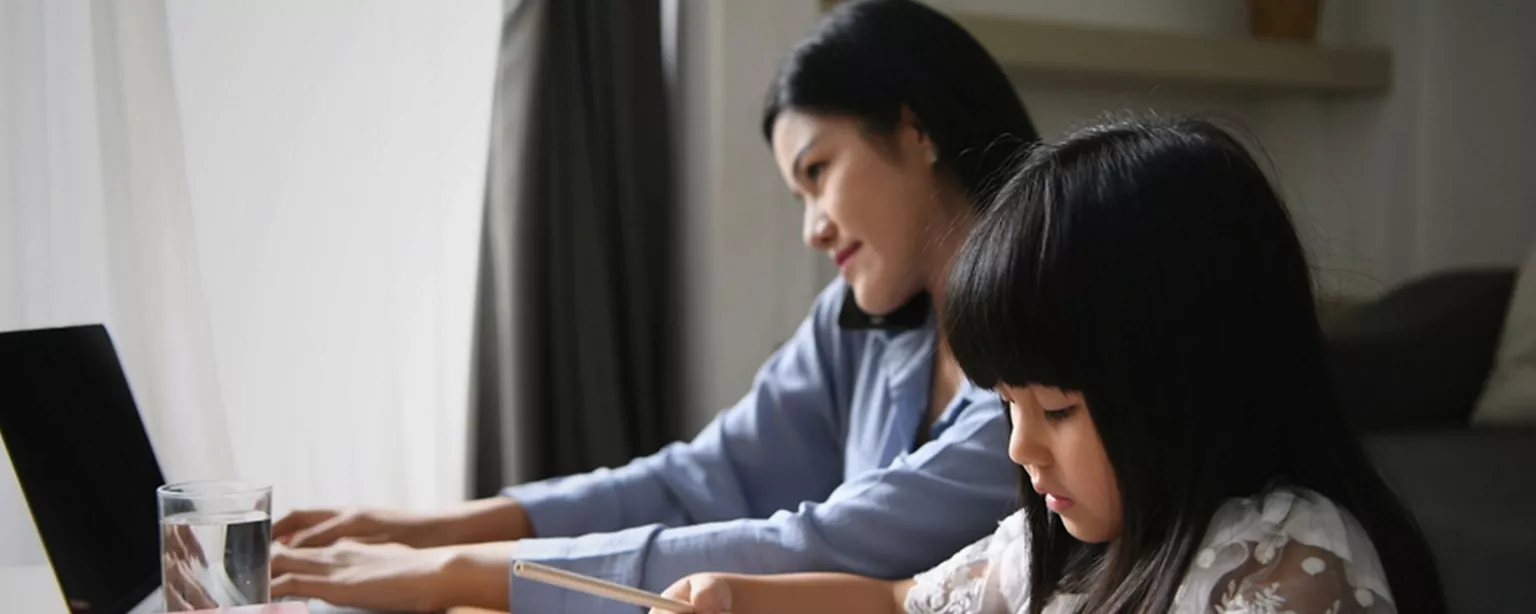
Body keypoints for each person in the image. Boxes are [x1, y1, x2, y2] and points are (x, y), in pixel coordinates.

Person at [267, 1, 1040, 612]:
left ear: (914, 129)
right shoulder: (859, 328)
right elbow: (695, 481)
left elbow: (823, 546)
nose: (812, 229)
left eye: (819, 171)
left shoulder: (1046, 346)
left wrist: (456, 573)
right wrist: (437, 526)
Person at [648, 117, 1450, 614]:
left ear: (1189, 384)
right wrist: (735, 598)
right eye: (1008, 408)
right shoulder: (1062, 550)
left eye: (1057, 411)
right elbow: (899, 602)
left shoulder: (1289, 569)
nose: (1019, 449)